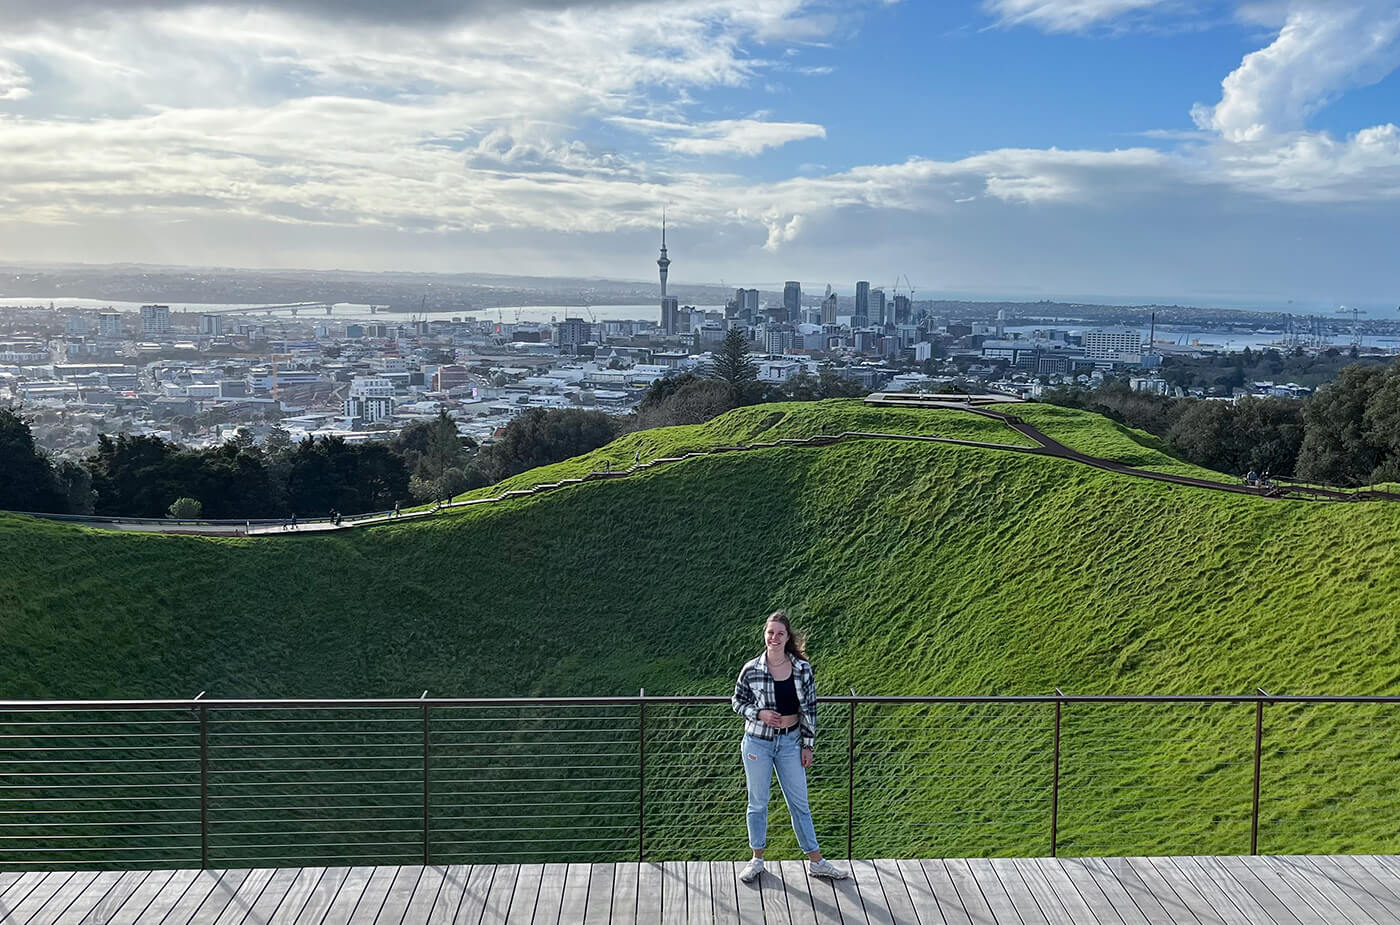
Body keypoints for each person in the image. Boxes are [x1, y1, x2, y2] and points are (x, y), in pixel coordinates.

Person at [731, 610, 848, 883]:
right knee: (757, 803)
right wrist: (758, 713)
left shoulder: (802, 668)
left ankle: (817, 861)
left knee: (799, 802)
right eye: (770, 633)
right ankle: (757, 859)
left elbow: (810, 709)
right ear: (765, 635)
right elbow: (737, 701)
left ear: (787, 637)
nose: (774, 638)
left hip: (790, 742)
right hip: (757, 742)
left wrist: (808, 745)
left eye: (779, 633)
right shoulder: (752, 668)